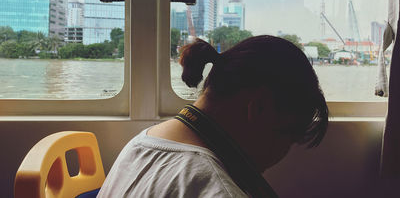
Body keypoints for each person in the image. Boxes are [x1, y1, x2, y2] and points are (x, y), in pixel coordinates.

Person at [98, 35, 329, 197]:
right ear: (258, 108)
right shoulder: (218, 190)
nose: (283, 154)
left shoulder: (141, 143)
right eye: (289, 136)